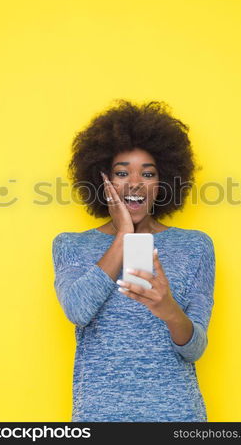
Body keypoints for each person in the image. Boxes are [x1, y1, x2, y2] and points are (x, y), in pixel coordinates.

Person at [52, 99, 216, 422]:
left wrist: (168, 308)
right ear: (104, 181)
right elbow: (78, 310)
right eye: (122, 172)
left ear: (163, 182)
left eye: (148, 173)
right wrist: (124, 235)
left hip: (177, 417)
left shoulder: (195, 247)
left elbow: (194, 349)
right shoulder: (70, 245)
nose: (135, 183)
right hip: (99, 417)